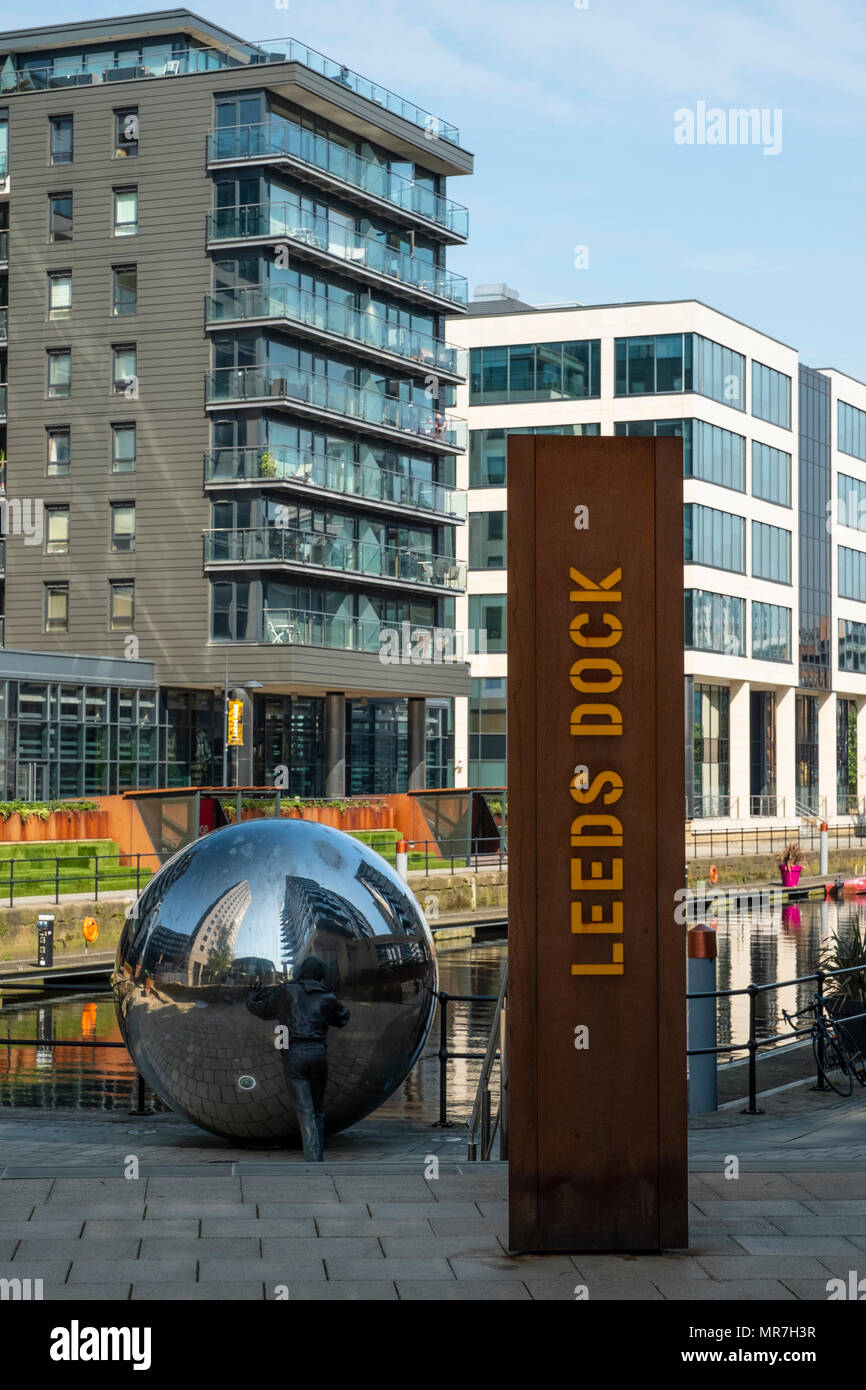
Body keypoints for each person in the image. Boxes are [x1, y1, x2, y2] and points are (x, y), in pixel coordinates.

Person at [247, 955, 349, 1161]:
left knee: (305, 1111)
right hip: (318, 1054)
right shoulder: (326, 997)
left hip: (294, 1054)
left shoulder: (289, 991)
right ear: (321, 976)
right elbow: (343, 1018)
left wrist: (251, 999)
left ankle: (313, 1160)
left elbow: (263, 1009)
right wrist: (332, 996)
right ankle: (316, 1156)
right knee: (317, 1110)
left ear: (302, 971)